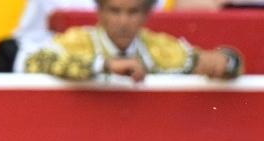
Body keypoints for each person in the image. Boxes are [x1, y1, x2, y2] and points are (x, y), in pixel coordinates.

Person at [17, 0, 243, 80]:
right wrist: (103, 66)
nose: (123, 21)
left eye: (132, 12)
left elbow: (231, 62)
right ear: (101, 12)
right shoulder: (77, 41)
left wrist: (226, 62)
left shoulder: (159, 48)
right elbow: (31, 62)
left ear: (145, 14)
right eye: (115, 11)